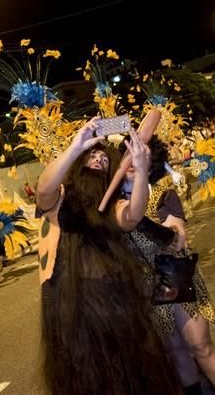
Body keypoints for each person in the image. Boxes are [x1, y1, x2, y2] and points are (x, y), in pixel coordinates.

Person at [35, 118, 182, 395]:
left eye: (104, 155)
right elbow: (44, 189)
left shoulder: (113, 203)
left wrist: (139, 171)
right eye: (92, 154)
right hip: (77, 308)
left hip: (117, 299)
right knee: (90, 378)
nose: (99, 158)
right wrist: (76, 146)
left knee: (130, 373)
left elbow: (132, 215)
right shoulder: (61, 200)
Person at [122, 138, 215, 395]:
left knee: (200, 346)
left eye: (141, 154)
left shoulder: (162, 193)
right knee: (175, 350)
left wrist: (137, 219)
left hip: (175, 277)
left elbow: (176, 237)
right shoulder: (113, 202)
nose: (133, 160)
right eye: (127, 154)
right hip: (143, 283)